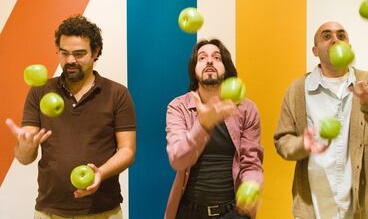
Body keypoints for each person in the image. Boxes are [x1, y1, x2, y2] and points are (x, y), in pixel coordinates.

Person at [274, 21, 368, 218]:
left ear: (349, 47)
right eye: (326, 36)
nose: (335, 40)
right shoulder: (297, 89)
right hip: (312, 211)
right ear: (315, 50)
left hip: (360, 212)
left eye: (341, 35)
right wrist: (301, 144)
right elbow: (282, 142)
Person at [5, 15, 136, 218]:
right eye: (64, 53)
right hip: (49, 211)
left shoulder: (117, 93)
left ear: (96, 52)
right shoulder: (40, 91)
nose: (70, 61)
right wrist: (24, 147)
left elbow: (127, 150)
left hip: (104, 211)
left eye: (79, 54)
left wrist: (100, 173)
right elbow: (25, 157)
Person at [164, 39, 264, 219]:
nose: (209, 61)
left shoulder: (246, 109)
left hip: (234, 210)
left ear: (226, 68)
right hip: (189, 210)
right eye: (202, 58)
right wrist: (203, 125)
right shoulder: (178, 107)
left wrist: (253, 186)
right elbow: (178, 161)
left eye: (216, 58)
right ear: (194, 70)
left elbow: (251, 161)